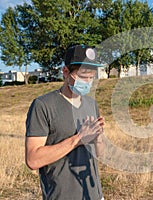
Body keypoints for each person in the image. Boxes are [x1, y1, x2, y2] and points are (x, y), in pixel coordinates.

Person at [25, 45, 105, 200]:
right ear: (66, 72)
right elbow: (32, 160)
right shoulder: (43, 106)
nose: (88, 82)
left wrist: (98, 139)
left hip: (94, 195)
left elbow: (99, 154)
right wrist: (77, 139)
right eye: (83, 76)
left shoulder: (91, 104)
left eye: (91, 77)